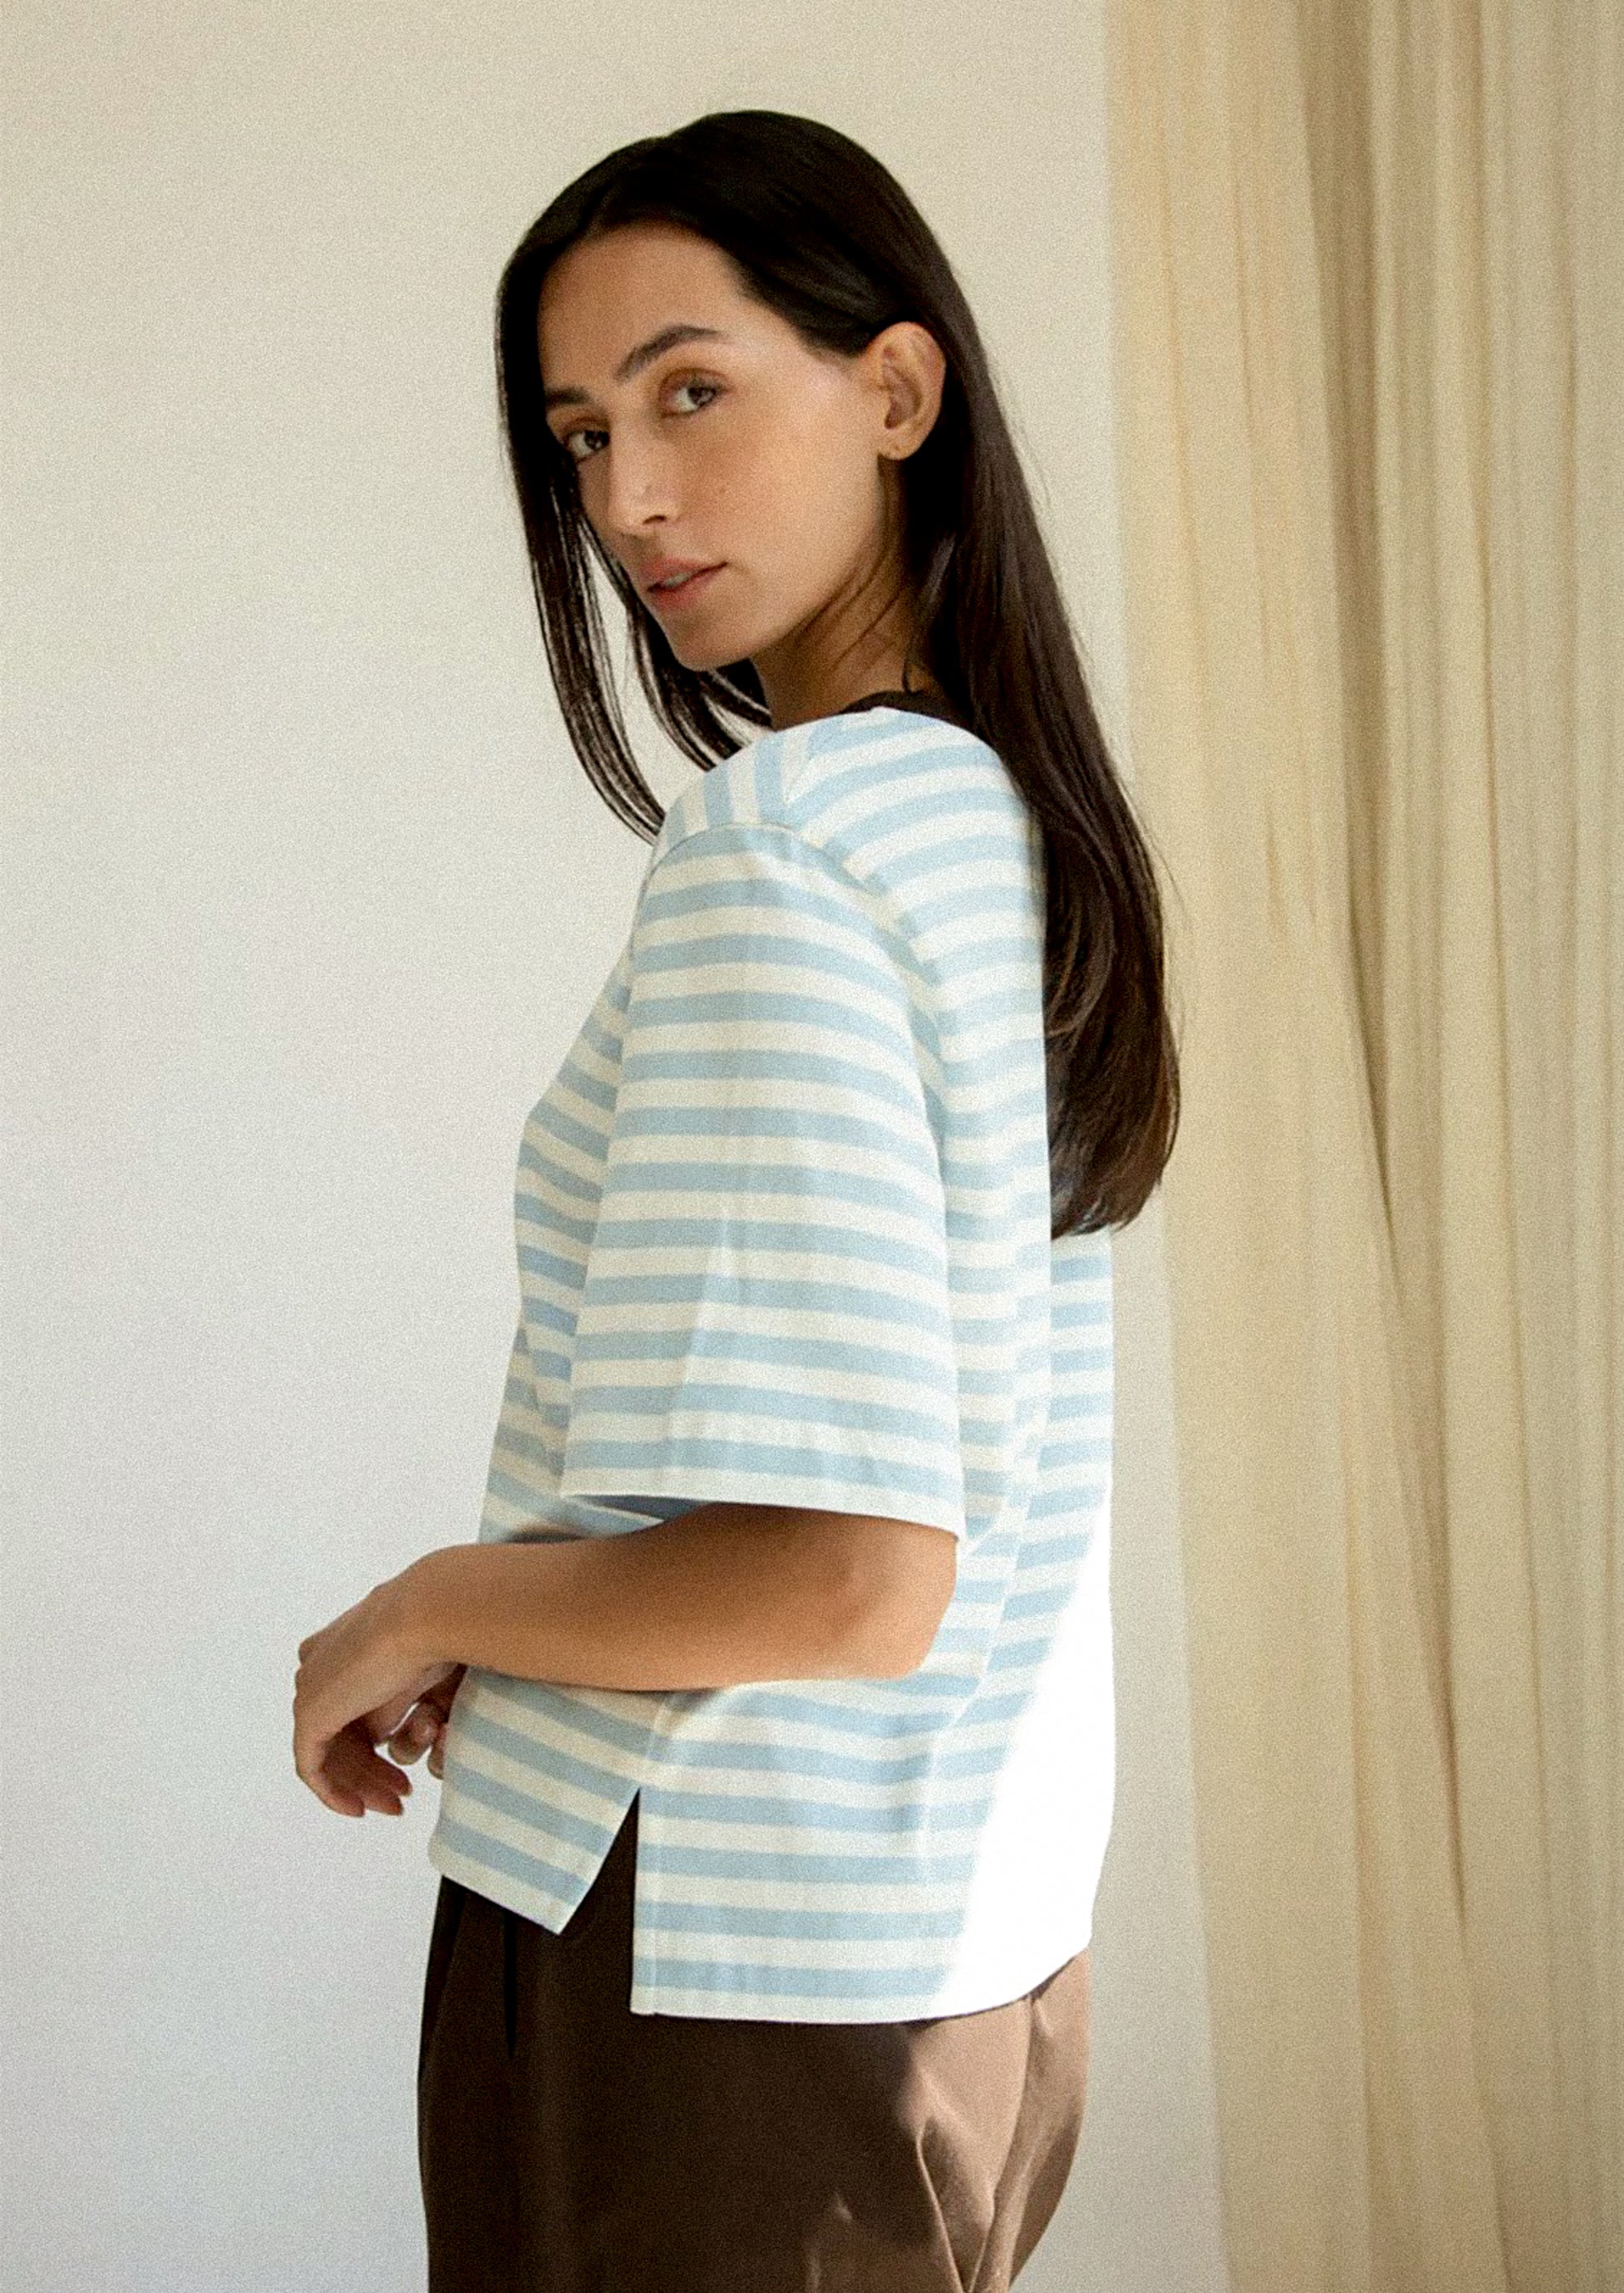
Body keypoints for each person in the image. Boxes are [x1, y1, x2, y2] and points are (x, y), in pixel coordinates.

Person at [292, 108, 1179, 2293]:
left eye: (694, 390)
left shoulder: (785, 849)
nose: (630, 498)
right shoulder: (991, 825)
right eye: (582, 433)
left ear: (894, 388)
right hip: (956, 1955)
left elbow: (844, 1572)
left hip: (715, 1977)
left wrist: (425, 1603)